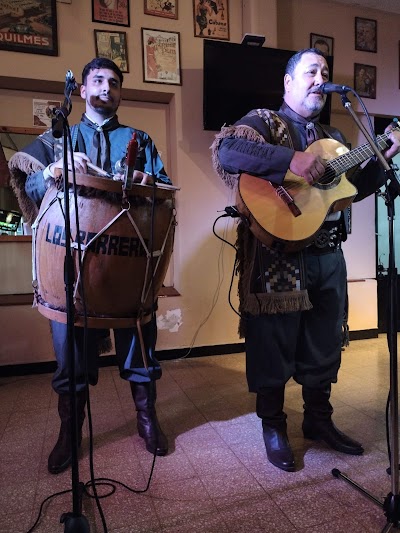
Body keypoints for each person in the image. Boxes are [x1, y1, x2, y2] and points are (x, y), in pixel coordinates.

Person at [211, 48, 400, 472]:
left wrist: (386, 152)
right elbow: (226, 152)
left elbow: (349, 190)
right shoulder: (264, 121)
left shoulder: (334, 136)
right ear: (288, 82)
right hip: (277, 256)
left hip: (328, 255)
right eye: (311, 70)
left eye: (326, 72)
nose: (321, 78)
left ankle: (318, 419)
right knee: (274, 343)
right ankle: (273, 425)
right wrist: (289, 159)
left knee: (324, 341)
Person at [8, 57, 171, 474]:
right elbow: (26, 180)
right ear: (82, 90)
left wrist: (153, 184)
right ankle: (69, 433)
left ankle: (147, 419)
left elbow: (164, 189)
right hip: (72, 266)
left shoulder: (140, 139)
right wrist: (51, 169)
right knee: (70, 360)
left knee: (139, 345)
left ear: (120, 93)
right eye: (98, 81)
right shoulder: (59, 136)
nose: (107, 88)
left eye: (114, 83)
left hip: (127, 265)